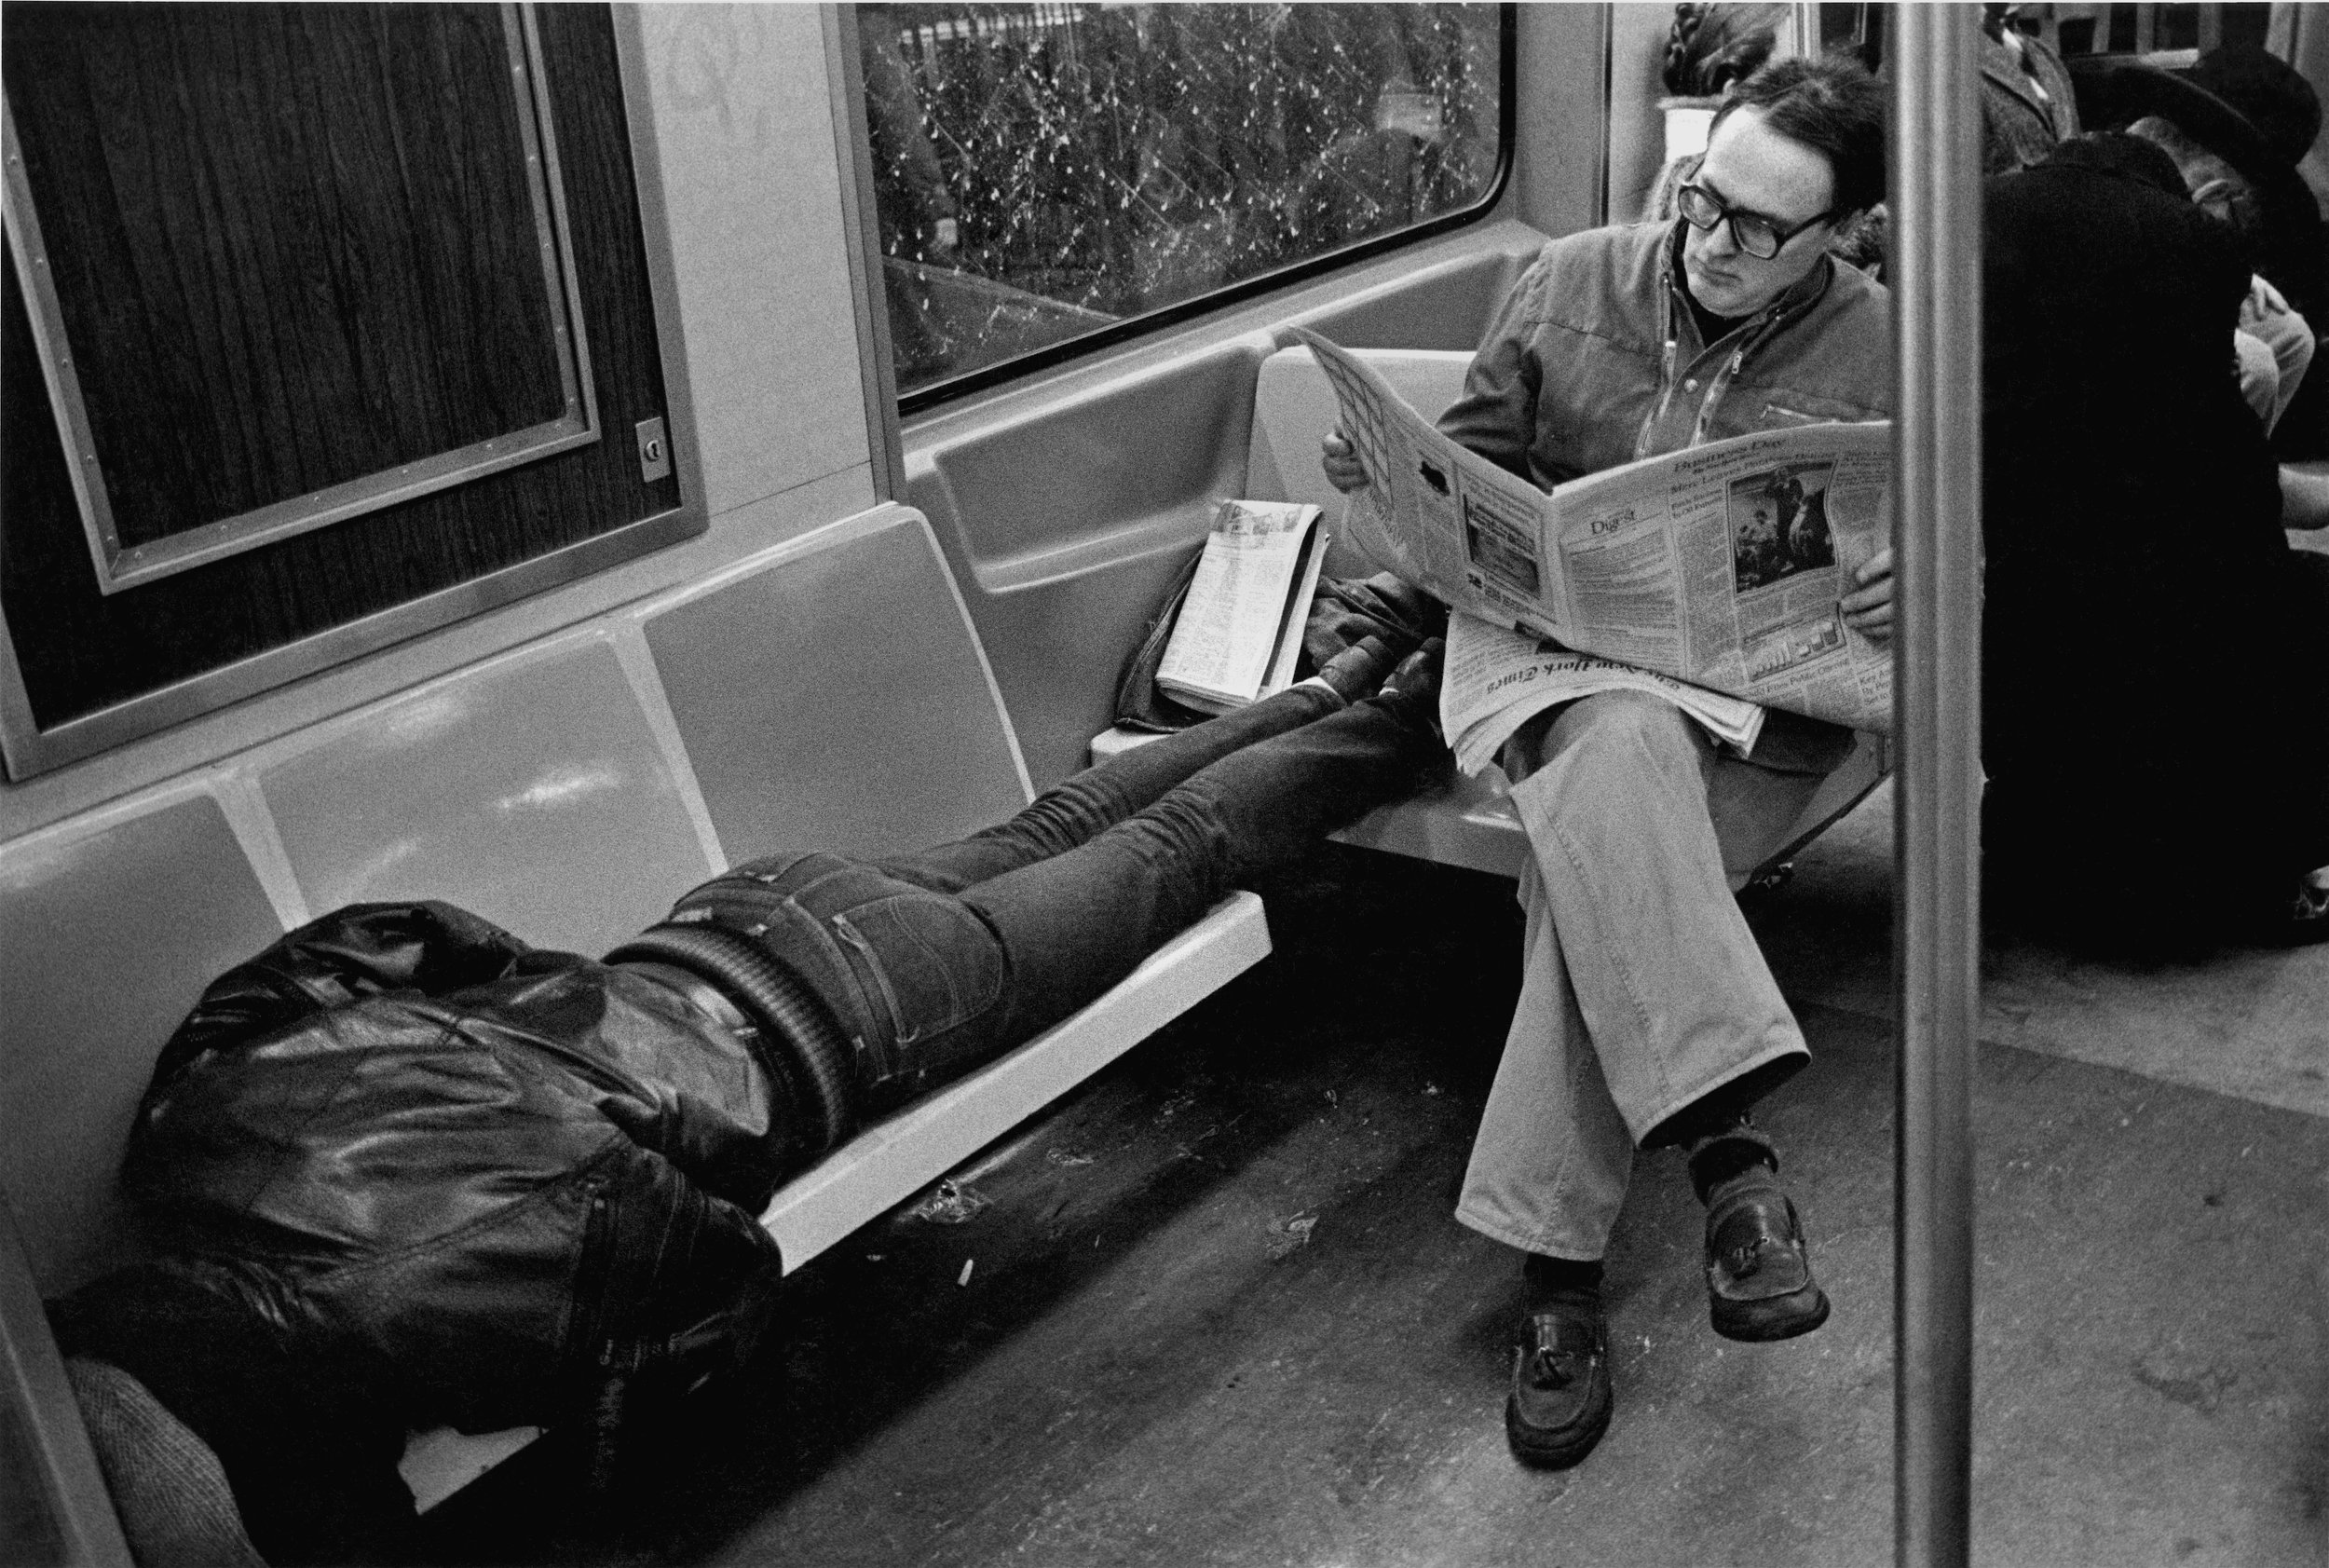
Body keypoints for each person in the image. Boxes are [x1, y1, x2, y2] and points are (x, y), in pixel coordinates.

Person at [49, 636, 1446, 1563]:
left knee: (1174, 850)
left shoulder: (409, 1295)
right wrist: (532, 995)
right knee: (1059, 823)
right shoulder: (191, 1119)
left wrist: (607, 1428)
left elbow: (716, 1257)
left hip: (864, 1011)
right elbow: (387, 937)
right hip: (733, 913)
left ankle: (1418, 710)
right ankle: (1348, 671)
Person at [1322, 55, 1893, 1469]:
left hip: (1746, 699)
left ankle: (1562, 1286)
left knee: (1589, 856)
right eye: (1708, 201)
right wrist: (1389, 486)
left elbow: (1952, 548)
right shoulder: (1572, 278)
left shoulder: (1890, 348)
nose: (1713, 241)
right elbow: (1464, 474)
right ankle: (1728, 1157)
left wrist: (1917, 576)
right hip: (1545, 662)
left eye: (1763, 231)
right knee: (1615, 745)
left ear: (1839, 240)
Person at [1982, 133, 2329, 947]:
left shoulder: (1969, 213)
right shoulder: (2195, 249)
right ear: (2203, 199)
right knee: (2299, 604)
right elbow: (2231, 485)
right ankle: (2283, 873)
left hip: (2012, 607)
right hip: (2190, 878)